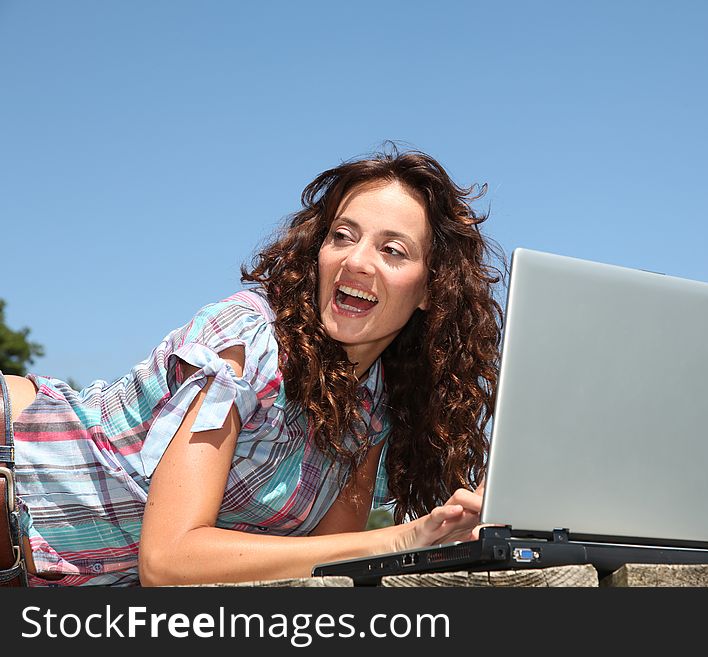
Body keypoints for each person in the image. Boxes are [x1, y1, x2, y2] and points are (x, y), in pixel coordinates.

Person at [0, 145, 505, 586]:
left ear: (431, 288)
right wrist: (403, 538)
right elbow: (169, 558)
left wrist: (451, 538)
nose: (356, 261)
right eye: (342, 236)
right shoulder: (247, 343)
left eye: (392, 250)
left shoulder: (372, 415)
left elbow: (333, 564)